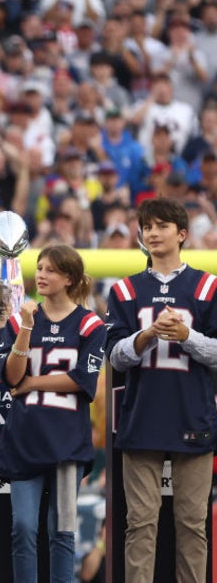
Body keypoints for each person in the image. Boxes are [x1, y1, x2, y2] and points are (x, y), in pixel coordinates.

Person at [105, 198, 217, 583]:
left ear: (182, 234)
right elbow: (116, 359)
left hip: (193, 415)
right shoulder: (124, 290)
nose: (153, 233)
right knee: (140, 525)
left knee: (192, 525)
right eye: (147, 227)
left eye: (162, 226)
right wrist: (147, 335)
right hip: (142, 418)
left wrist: (187, 337)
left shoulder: (207, 287)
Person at [0, 244, 106, 583]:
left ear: (69, 278)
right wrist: (26, 328)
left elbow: (83, 379)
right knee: (23, 527)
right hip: (25, 437)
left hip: (67, 439)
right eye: (39, 268)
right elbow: (11, 376)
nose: (41, 274)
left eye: (50, 270)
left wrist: (32, 384)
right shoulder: (19, 319)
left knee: (62, 530)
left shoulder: (90, 324)